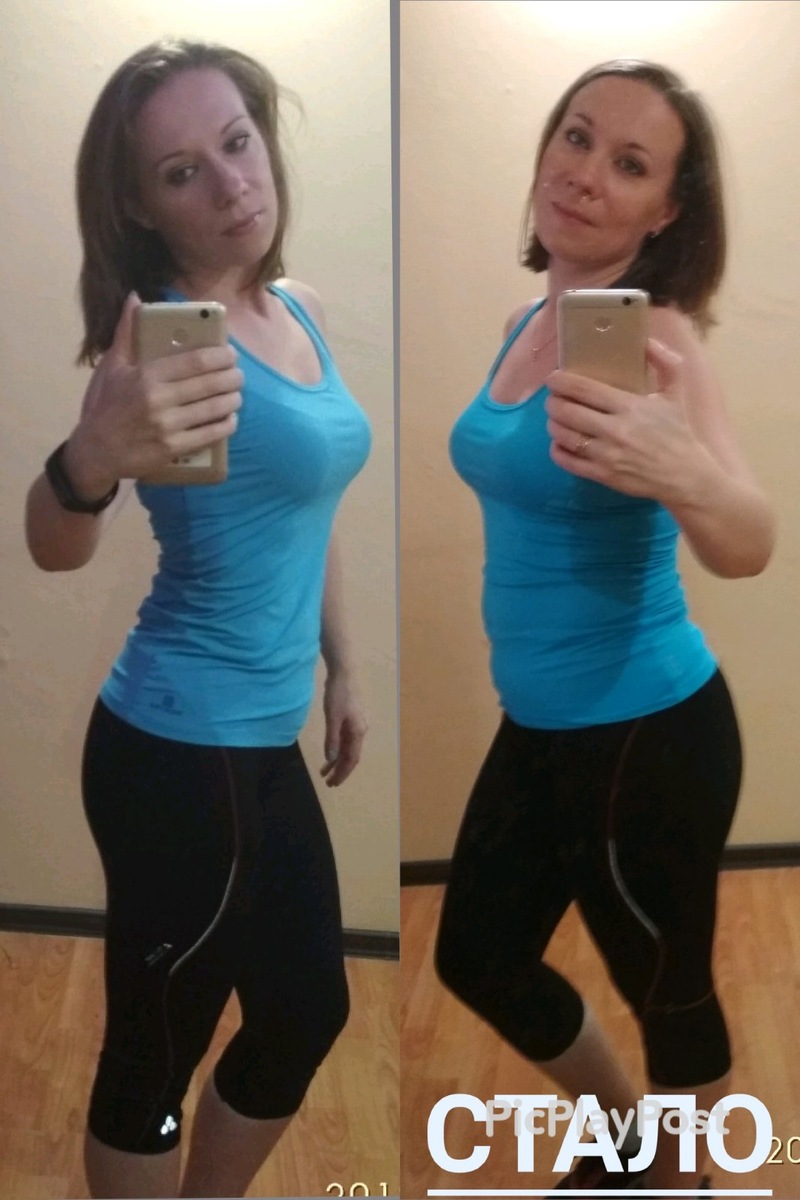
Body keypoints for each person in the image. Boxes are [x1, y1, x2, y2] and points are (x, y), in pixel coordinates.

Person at [24, 38, 372, 1200]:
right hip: (177, 751)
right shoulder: (159, 345)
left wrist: (343, 664)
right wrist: (88, 460)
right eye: (183, 172)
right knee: (153, 1057)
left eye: (236, 142)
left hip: (259, 740)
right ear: (139, 205)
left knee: (306, 1008)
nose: (231, 184)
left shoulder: (297, 310)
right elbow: (54, 541)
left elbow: (305, 510)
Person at [436, 60, 775, 1197]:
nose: (584, 174)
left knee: (669, 994)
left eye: (629, 164)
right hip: (539, 723)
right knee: (476, 954)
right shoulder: (524, 325)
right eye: (576, 137)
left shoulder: (659, 341)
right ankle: (628, 1144)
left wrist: (683, 469)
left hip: (647, 732)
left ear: (666, 211)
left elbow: (747, 538)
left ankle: (684, 1182)